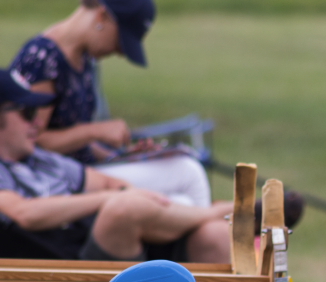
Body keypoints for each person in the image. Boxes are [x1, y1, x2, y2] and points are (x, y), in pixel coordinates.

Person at [0, 70, 231, 264]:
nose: (38, 123)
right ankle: (217, 212)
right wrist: (109, 198)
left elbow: (109, 182)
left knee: (214, 234)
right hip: (69, 270)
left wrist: (129, 195)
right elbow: (24, 214)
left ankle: (210, 219)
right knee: (122, 208)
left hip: (110, 244)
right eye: (27, 113)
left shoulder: (41, 159)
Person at [10, 0, 213, 208]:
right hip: (58, 179)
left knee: (182, 200)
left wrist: (123, 157)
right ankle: (213, 225)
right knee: (187, 172)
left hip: (85, 171)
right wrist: (94, 131)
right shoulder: (43, 58)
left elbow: (77, 144)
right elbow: (32, 142)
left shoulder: (83, 58)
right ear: (101, 16)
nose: (121, 52)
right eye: (121, 40)